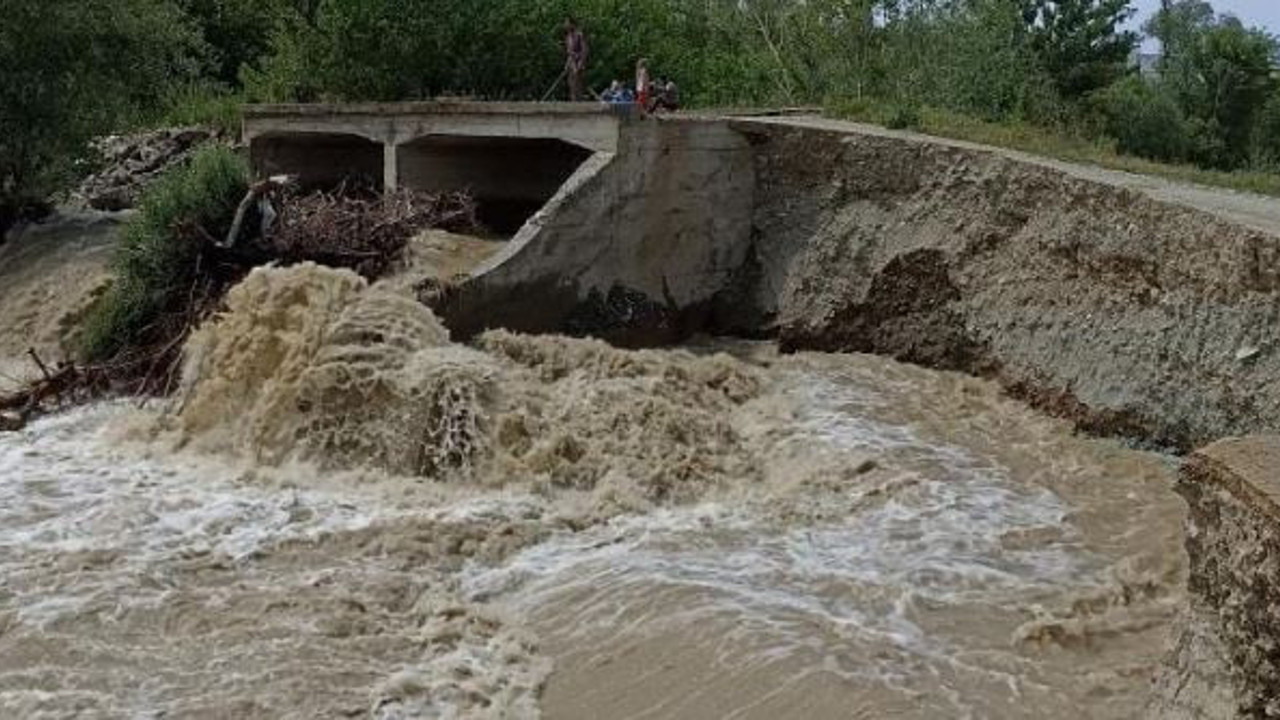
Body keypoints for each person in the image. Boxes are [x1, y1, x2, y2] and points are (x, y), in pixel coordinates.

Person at [564, 17, 588, 101]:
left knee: (578, 83)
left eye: (567, 23)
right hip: (571, 62)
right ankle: (573, 102)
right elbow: (569, 52)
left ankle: (579, 102)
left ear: (572, 24)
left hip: (578, 62)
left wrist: (580, 64)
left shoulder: (579, 35)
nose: (565, 25)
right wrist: (567, 63)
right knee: (570, 83)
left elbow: (584, 50)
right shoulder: (568, 37)